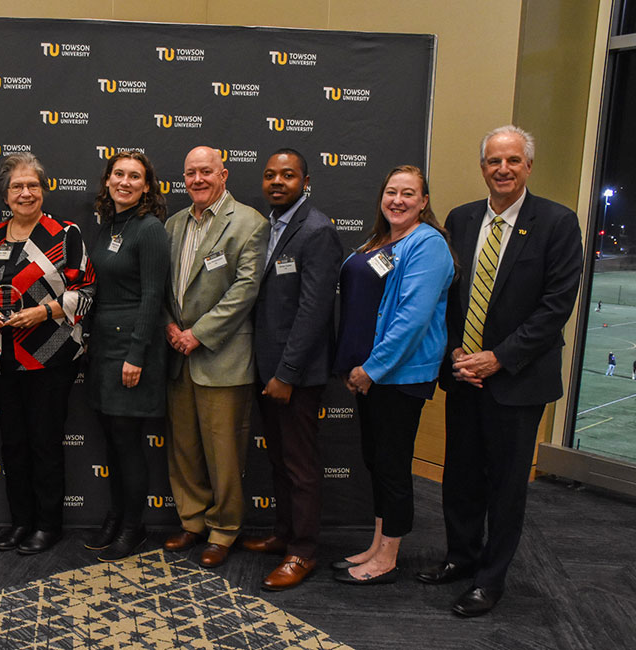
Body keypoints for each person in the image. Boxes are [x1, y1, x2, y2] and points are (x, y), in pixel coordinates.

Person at [418, 126, 583, 617]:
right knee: (461, 477)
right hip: (465, 376)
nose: (503, 169)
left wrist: (498, 358)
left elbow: (555, 307)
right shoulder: (461, 219)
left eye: (513, 160)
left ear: (528, 166)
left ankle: (490, 579)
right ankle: (461, 558)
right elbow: (447, 298)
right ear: (483, 166)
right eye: (494, 161)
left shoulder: (556, 222)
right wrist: (454, 354)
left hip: (516, 380)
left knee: (506, 486)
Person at [331, 165, 454, 586]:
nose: (397, 200)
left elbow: (412, 319)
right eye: (391, 192)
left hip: (398, 376)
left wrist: (373, 369)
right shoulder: (379, 240)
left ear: (423, 202)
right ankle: (376, 545)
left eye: (408, 194)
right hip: (370, 374)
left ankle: (388, 558)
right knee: (376, 461)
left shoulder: (427, 244)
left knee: (393, 465)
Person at [0, 153, 95, 555]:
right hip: (1, 356)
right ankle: (20, 521)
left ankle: (48, 524)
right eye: (16, 187)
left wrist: (45, 311)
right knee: (12, 443)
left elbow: (88, 292)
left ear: (43, 190)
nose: (25, 193)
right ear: (4, 195)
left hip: (50, 356)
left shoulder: (65, 234)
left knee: (44, 442)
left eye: (32, 186)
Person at [240, 149, 342, 589]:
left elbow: (314, 311)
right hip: (269, 370)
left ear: (306, 181)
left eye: (287, 175)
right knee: (280, 461)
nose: (277, 182)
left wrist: (286, 374)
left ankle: (303, 552)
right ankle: (284, 535)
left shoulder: (316, 230)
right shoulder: (273, 227)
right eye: (269, 175)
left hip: (295, 375)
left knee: (300, 465)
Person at [162, 146, 268, 568]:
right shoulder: (173, 224)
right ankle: (193, 521)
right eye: (190, 173)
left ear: (223, 174)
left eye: (206, 171)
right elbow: (164, 284)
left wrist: (199, 335)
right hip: (177, 353)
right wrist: (170, 326)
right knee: (183, 447)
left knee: (224, 451)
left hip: (222, 355)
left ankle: (224, 529)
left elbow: (245, 290)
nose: (198, 179)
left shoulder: (248, 222)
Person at [83, 152, 169, 562]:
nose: (125, 181)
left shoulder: (149, 229)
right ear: (107, 180)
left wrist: (136, 354)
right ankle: (117, 516)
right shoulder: (108, 225)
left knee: (128, 443)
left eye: (135, 176)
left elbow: (153, 296)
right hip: (102, 348)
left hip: (132, 349)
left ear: (147, 186)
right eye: (118, 174)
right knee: (113, 443)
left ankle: (134, 527)